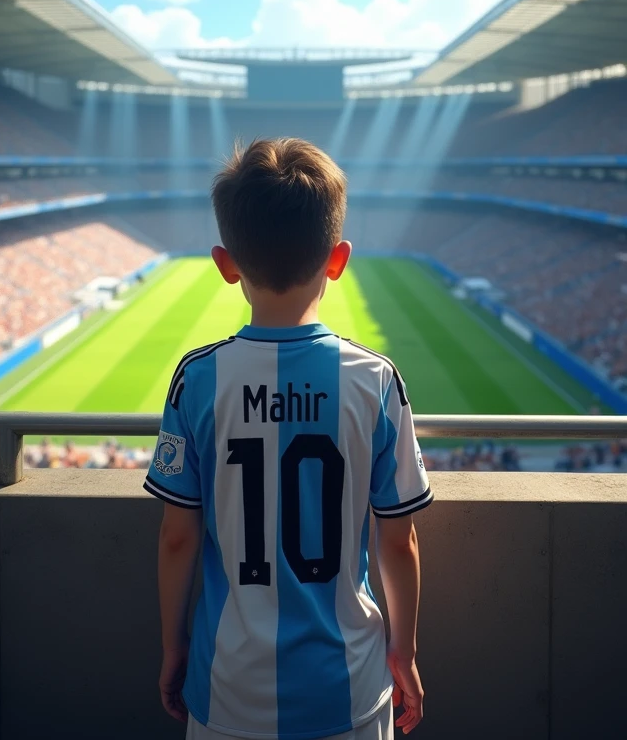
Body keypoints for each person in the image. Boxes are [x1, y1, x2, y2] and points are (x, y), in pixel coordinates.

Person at [143, 138, 433, 740]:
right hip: (347, 685)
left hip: (227, 688)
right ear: (338, 259)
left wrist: (174, 648)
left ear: (226, 265)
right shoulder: (374, 380)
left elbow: (177, 538)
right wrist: (402, 652)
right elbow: (397, 541)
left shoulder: (197, 379)